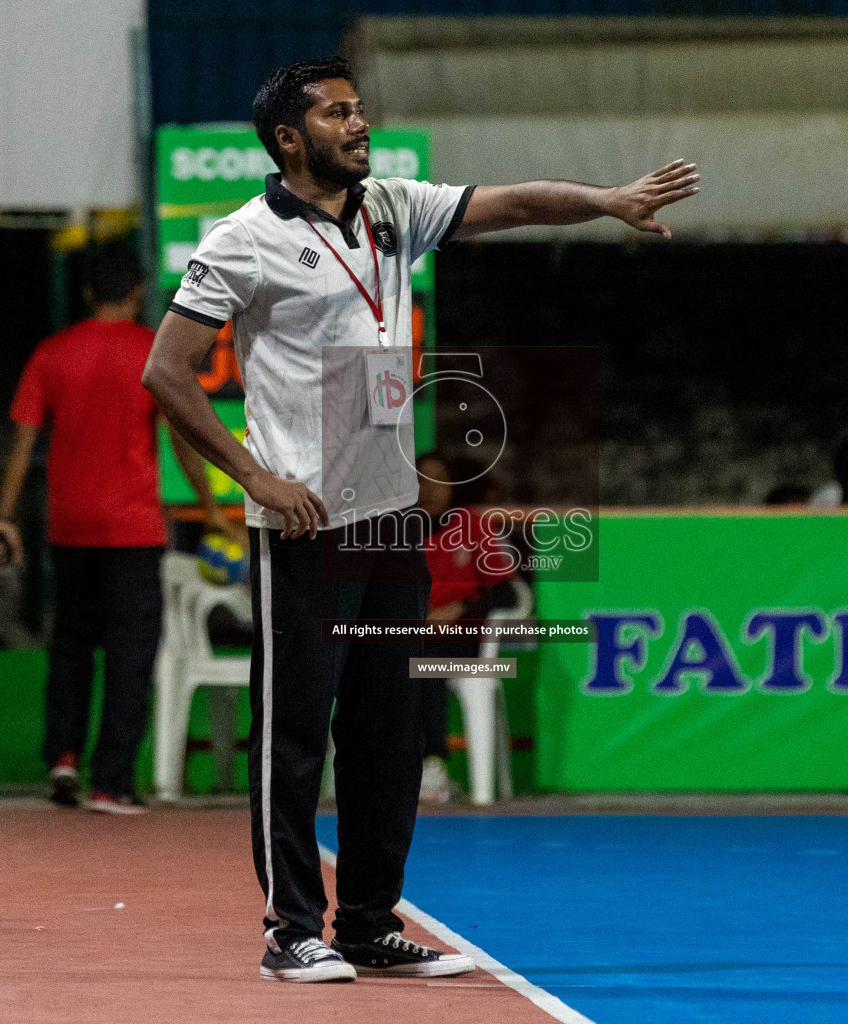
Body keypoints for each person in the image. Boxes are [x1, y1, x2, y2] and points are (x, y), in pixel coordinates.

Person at [142, 56, 698, 982]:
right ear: (289, 139)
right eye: (338, 115)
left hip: (392, 523)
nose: (360, 126)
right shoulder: (240, 240)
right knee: (292, 734)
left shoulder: (393, 208)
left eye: (361, 111)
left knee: (389, 731)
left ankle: (365, 923)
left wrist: (606, 201)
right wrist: (258, 478)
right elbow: (166, 371)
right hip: (306, 526)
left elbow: (515, 204)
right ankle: (292, 931)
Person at [0, 244, 234, 814]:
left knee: (71, 642)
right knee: (131, 652)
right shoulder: (153, 352)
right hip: (132, 528)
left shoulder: (52, 353)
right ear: (137, 289)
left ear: (86, 291)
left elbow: (22, 441)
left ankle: (63, 757)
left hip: (68, 526)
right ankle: (112, 782)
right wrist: (211, 506)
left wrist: (3, 516)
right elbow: (182, 437)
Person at [415, 453, 516, 805]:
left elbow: (504, 591)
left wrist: (458, 609)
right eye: (421, 479)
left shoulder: (472, 525)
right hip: (407, 638)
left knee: (424, 661)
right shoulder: (396, 529)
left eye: (438, 479)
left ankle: (432, 764)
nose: (430, 489)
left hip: (463, 640)